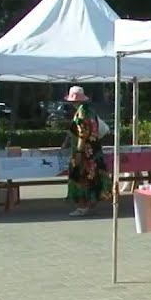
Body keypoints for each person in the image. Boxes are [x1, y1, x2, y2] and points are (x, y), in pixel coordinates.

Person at [65, 86, 109, 216]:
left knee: (80, 177)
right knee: (93, 177)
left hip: (85, 152)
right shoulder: (90, 110)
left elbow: (82, 134)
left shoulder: (81, 113)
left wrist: (79, 152)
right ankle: (90, 203)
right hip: (94, 150)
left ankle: (82, 206)